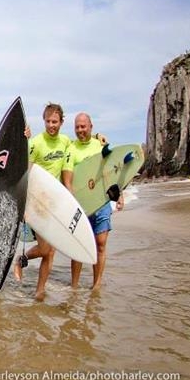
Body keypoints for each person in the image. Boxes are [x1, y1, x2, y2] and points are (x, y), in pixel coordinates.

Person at [62, 112, 123, 291]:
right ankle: (74, 286)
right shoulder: (71, 149)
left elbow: (112, 172)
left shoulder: (100, 146)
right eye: (77, 127)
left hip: (102, 202)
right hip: (81, 205)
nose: (80, 130)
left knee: (101, 244)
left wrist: (120, 196)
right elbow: (67, 179)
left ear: (91, 127)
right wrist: (74, 202)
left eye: (83, 126)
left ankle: (96, 285)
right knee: (79, 245)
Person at [16, 103, 70, 301]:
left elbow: (74, 163)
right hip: (38, 200)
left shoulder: (65, 142)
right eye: (48, 121)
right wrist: (24, 202)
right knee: (45, 248)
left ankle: (40, 290)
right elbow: (26, 173)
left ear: (62, 122)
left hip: (56, 201)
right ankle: (21, 260)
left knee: (50, 252)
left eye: (55, 122)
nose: (51, 125)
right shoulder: (36, 143)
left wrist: (98, 139)